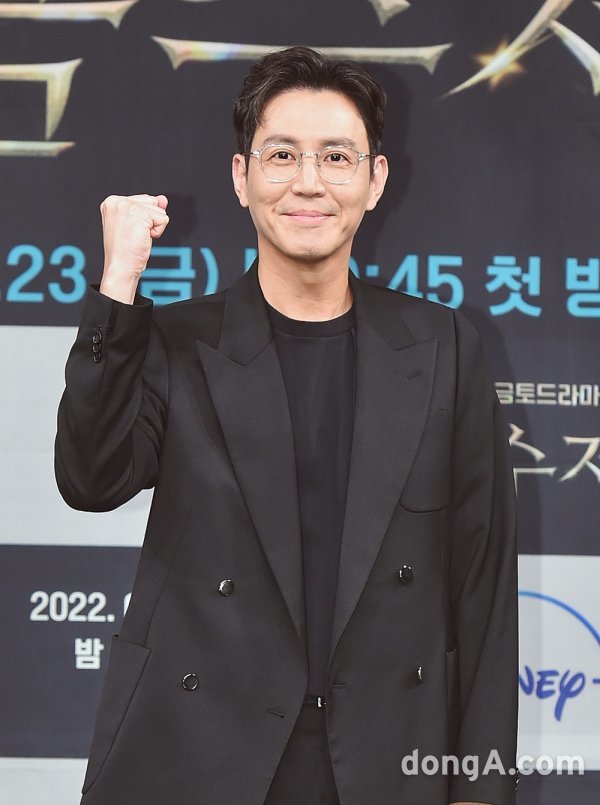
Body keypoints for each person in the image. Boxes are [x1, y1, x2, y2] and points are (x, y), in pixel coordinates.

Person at [55, 46, 518, 805]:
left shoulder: (444, 348)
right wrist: (118, 285)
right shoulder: (178, 342)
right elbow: (90, 480)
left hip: (384, 760)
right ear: (242, 178)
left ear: (376, 180)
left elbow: (484, 588)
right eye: (282, 155)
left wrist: (478, 790)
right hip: (195, 756)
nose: (309, 181)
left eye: (336, 156)